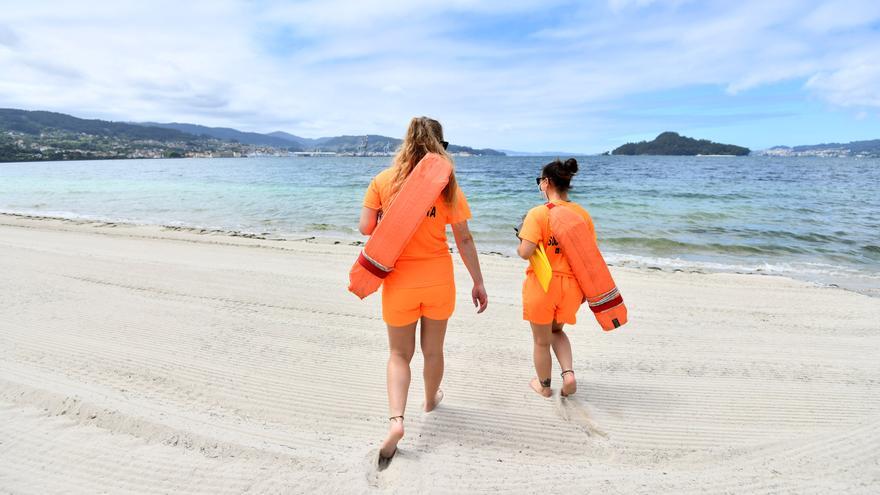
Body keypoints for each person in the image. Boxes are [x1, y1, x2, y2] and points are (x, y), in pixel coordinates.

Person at [358, 116, 488, 461]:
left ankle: (397, 422)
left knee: (400, 355)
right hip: (438, 279)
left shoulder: (383, 180)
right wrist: (478, 281)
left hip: (399, 280)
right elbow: (463, 237)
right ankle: (430, 399)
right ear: (438, 146)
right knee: (434, 350)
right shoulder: (446, 186)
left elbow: (365, 228)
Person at [516, 158, 591, 398]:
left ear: (547, 183)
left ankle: (544, 386)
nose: (539, 185)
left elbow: (525, 253)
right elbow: (588, 257)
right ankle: (568, 374)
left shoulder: (538, 214)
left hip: (543, 284)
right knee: (556, 332)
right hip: (571, 286)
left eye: (540, 181)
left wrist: (521, 241)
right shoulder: (582, 215)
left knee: (541, 341)